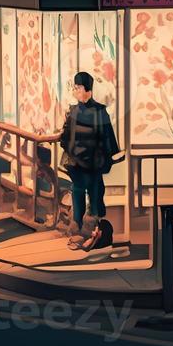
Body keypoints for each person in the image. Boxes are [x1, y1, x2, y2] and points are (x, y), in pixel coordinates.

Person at [34, 71, 120, 246]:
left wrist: (105, 158)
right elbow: (66, 135)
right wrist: (72, 150)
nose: (76, 91)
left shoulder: (100, 111)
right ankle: (77, 226)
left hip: (93, 161)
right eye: (75, 88)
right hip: (76, 161)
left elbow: (107, 138)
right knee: (79, 191)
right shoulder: (73, 110)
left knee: (95, 192)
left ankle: (92, 229)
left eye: (78, 88)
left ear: (88, 89)